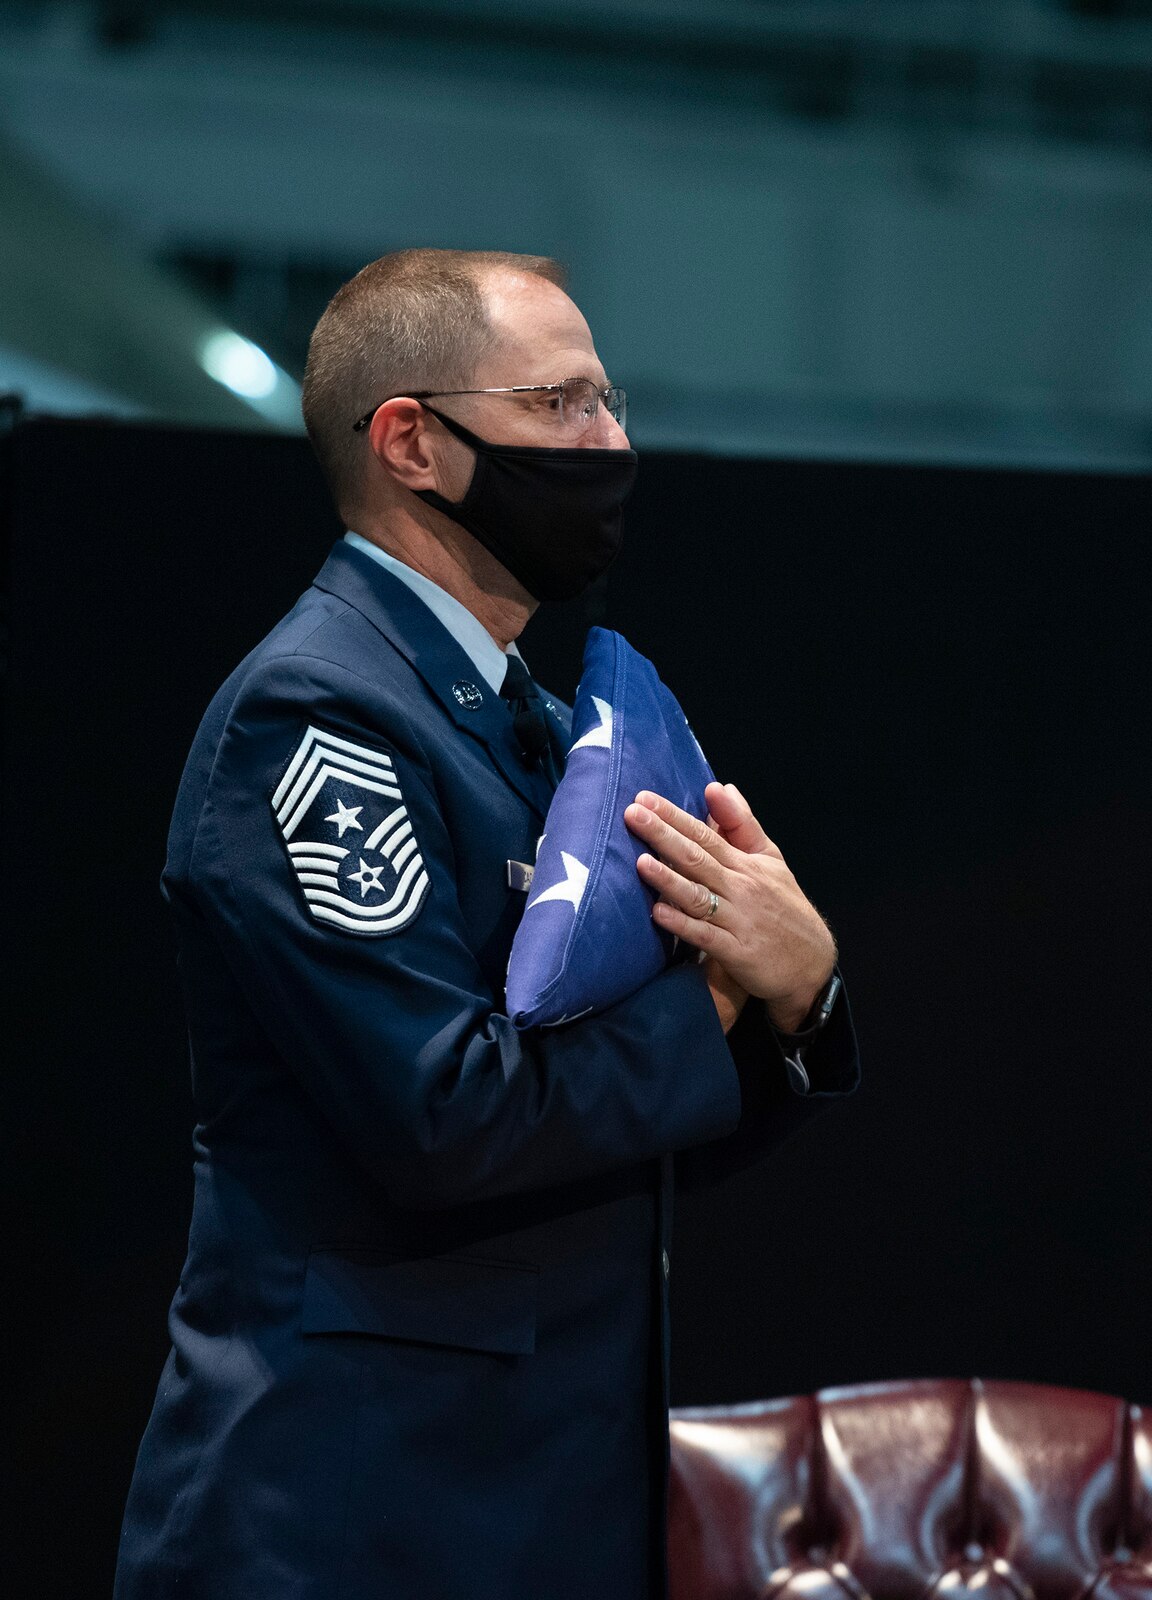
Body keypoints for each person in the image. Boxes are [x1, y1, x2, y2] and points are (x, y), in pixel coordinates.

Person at [115, 248, 857, 1600]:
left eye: (611, 401)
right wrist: (715, 1004)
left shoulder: (541, 726)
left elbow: (619, 1133)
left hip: (532, 1511)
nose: (614, 442)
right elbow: (445, 1117)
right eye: (563, 404)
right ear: (412, 441)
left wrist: (797, 1000)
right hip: (350, 1522)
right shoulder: (321, 720)